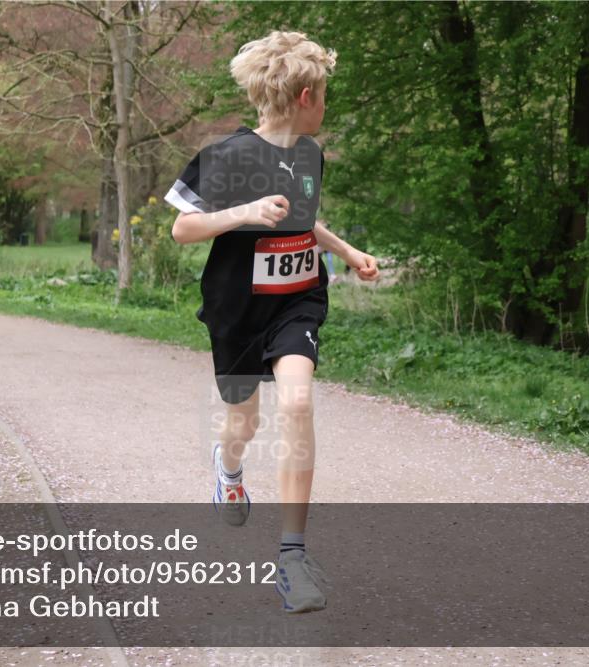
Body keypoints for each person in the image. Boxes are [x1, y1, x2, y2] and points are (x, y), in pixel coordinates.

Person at [164, 31, 379, 613]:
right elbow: (183, 228)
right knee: (244, 423)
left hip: (296, 302)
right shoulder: (226, 156)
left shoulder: (310, 155)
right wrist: (245, 213)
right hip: (238, 310)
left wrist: (349, 251)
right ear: (306, 96)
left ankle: (291, 558)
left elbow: (306, 220)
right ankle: (228, 467)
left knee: (297, 403)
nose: (327, 106)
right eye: (326, 95)